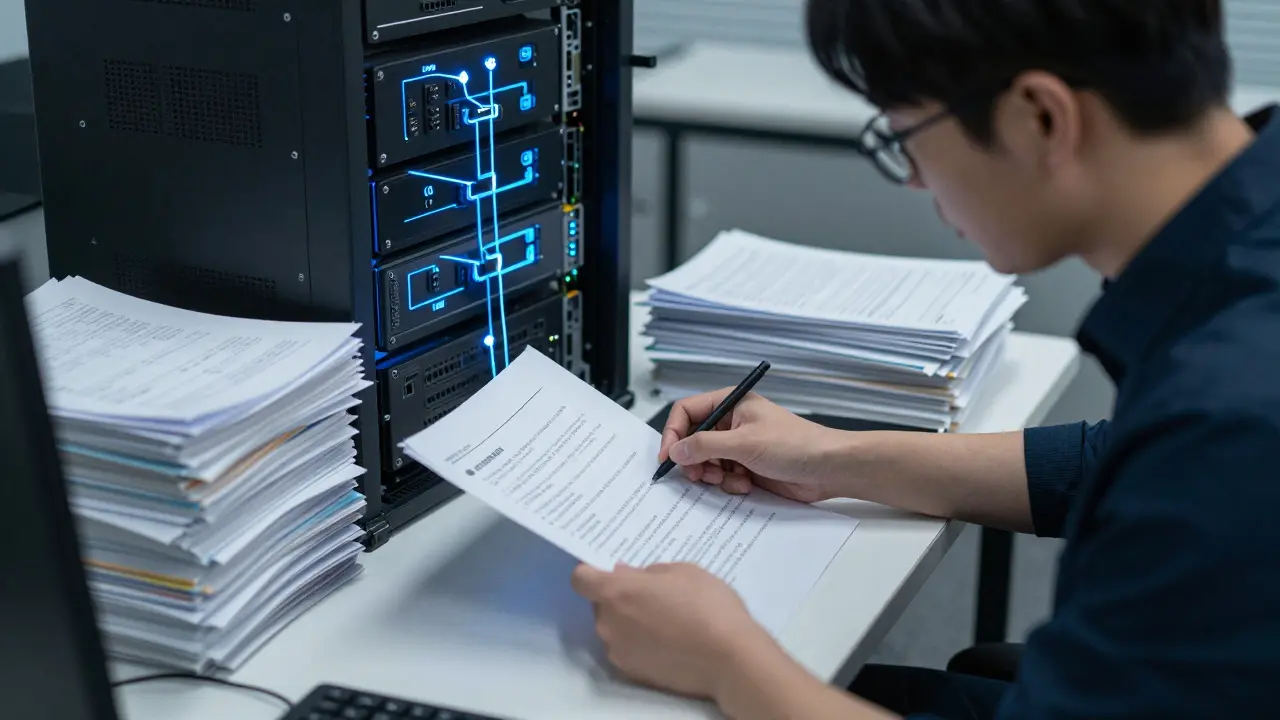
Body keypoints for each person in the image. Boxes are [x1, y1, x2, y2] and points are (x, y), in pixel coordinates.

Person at [569, 0, 1280, 718]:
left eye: (906, 137)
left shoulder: (1232, 417)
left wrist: (726, 662)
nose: (913, 179)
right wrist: (830, 457)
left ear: (1040, 117)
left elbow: (1197, 461)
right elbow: (1123, 459)